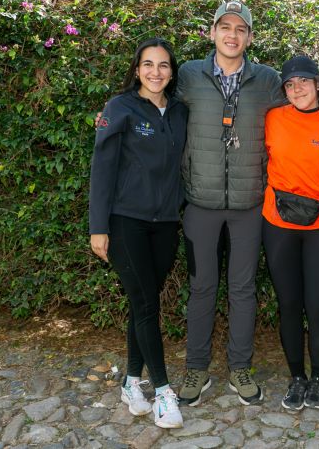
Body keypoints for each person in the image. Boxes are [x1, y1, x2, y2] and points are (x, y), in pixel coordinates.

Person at [175, 0, 284, 406]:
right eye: (225, 26)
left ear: (250, 38)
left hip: (249, 204)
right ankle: (196, 370)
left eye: (241, 29)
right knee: (201, 288)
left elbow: (297, 121)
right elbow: (153, 102)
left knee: (242, 289)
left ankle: (240, 367)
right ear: (212, 32)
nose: (232, 35)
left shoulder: (269, 80)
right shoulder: (188, 74)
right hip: (200, 204)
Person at [89, 37, 187, 429]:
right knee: (146, 305)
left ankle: (131, 382)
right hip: (125, 222)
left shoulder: (180, 111)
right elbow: (103, 169)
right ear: (136, 69)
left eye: (163, 65)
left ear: (172, 72)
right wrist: (98, 227)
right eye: (148, 64)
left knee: (142, 302)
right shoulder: (120, 107)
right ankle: (162, 391)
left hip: (165, 224)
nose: (155, 72)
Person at [262, 55, 319, 411]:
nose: (297, 88)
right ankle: (296, 377)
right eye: (289, 84)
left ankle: (318, 379)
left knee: (317, 305)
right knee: (288, 304)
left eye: (303, 81)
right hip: (278, 223)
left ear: (318, 84)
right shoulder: (271, 119)